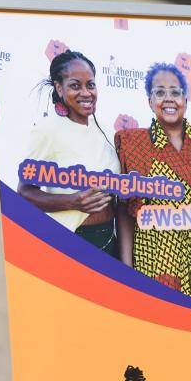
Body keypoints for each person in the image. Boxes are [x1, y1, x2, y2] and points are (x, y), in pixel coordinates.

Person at [115, 63, 191, 306]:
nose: (169, 98)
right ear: (150, 101)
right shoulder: (132, 143)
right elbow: (125, 212)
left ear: (186, 100)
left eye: (176, 92)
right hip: (158, 261)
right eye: (160, 92)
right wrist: (126, 272)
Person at [18, 50, 120, 255]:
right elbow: (24, 192)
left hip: (110, 242)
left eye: (90, 85)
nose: (86, 93)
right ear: (59, 88)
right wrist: (72, 201)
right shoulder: (47, 130)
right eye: (75, 85)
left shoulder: (108, 132)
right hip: (71, 243)